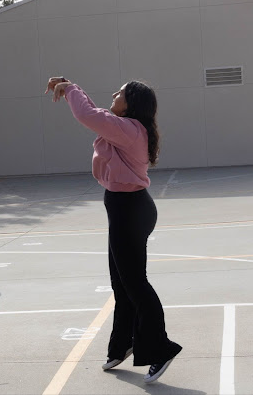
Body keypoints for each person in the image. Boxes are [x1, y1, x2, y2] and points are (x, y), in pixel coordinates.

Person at [46, 77, 182, 384]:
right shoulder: (125, 127)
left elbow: (87, 115)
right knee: (121, 284)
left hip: (130, 210)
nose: (113, 94)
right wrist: (72, 85)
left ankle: (161, 348)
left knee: (135, 284)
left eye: (119, 93)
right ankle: (122, 345)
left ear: (131, 103)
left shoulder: (130, 130)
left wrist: (69, 89)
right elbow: (96, 113)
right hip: (124, 208)